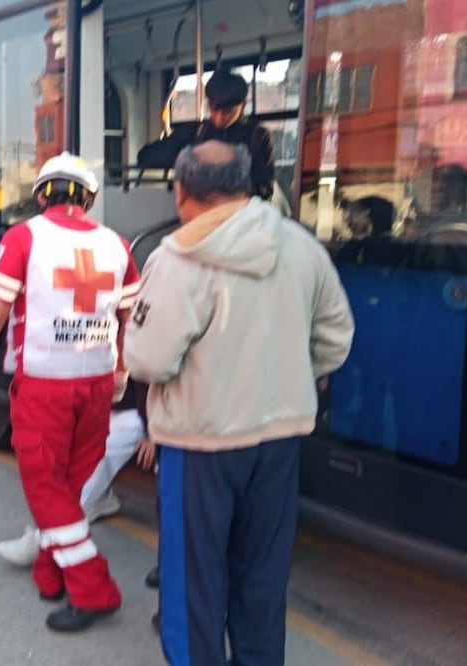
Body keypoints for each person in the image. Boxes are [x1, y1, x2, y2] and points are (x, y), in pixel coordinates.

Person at [124, 141, 354, 665]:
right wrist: (290, 376)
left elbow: (149, 361)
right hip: (279, 442)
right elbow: (336, 338)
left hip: (199, 444)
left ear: (181, 190)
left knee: (192, 586)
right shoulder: (301, 246)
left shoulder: (177, 257)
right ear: (247, 185)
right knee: (262, 580)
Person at [0, 151, 139, 632]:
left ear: (42, 195)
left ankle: (92, 586)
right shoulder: (118, 245)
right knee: (71, 484)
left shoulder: (23, 237)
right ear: (89, 198)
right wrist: (119, 368)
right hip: (98, 383)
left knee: (45, 489)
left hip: (44, 384)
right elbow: (129, 318)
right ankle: (50, 571)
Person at [0, 378, 155, 565]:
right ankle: (98, 498)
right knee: (69, 445)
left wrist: (154, 432)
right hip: (108, 400)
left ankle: (47, 538)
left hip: (145, 411)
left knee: (101, 450)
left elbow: (152, 377)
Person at [138, 68, 276, 202]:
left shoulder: (258, 137)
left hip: (239, 214)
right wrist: (189, 160)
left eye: (229, 111)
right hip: (199, 211)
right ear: (209, 104)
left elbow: (264, 188)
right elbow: (146, 155)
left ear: (243, 106)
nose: (220, 117)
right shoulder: (196, 132)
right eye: (214, 109)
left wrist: (227, 186)